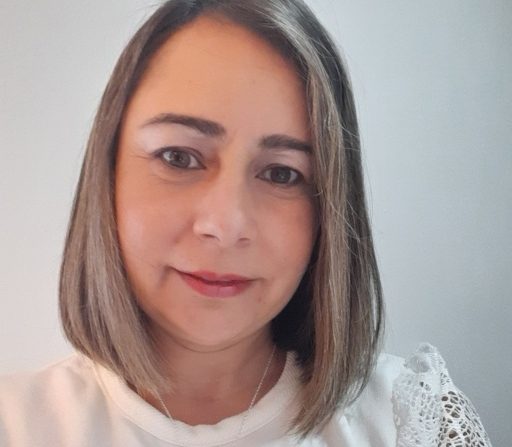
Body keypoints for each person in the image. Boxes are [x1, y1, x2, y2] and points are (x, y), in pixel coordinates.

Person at [0, 1, 492, 446]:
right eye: (179, 157)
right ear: (107, 174)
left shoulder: (412, 426)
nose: (225, 224)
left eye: (282, 173)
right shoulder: (16, 425)